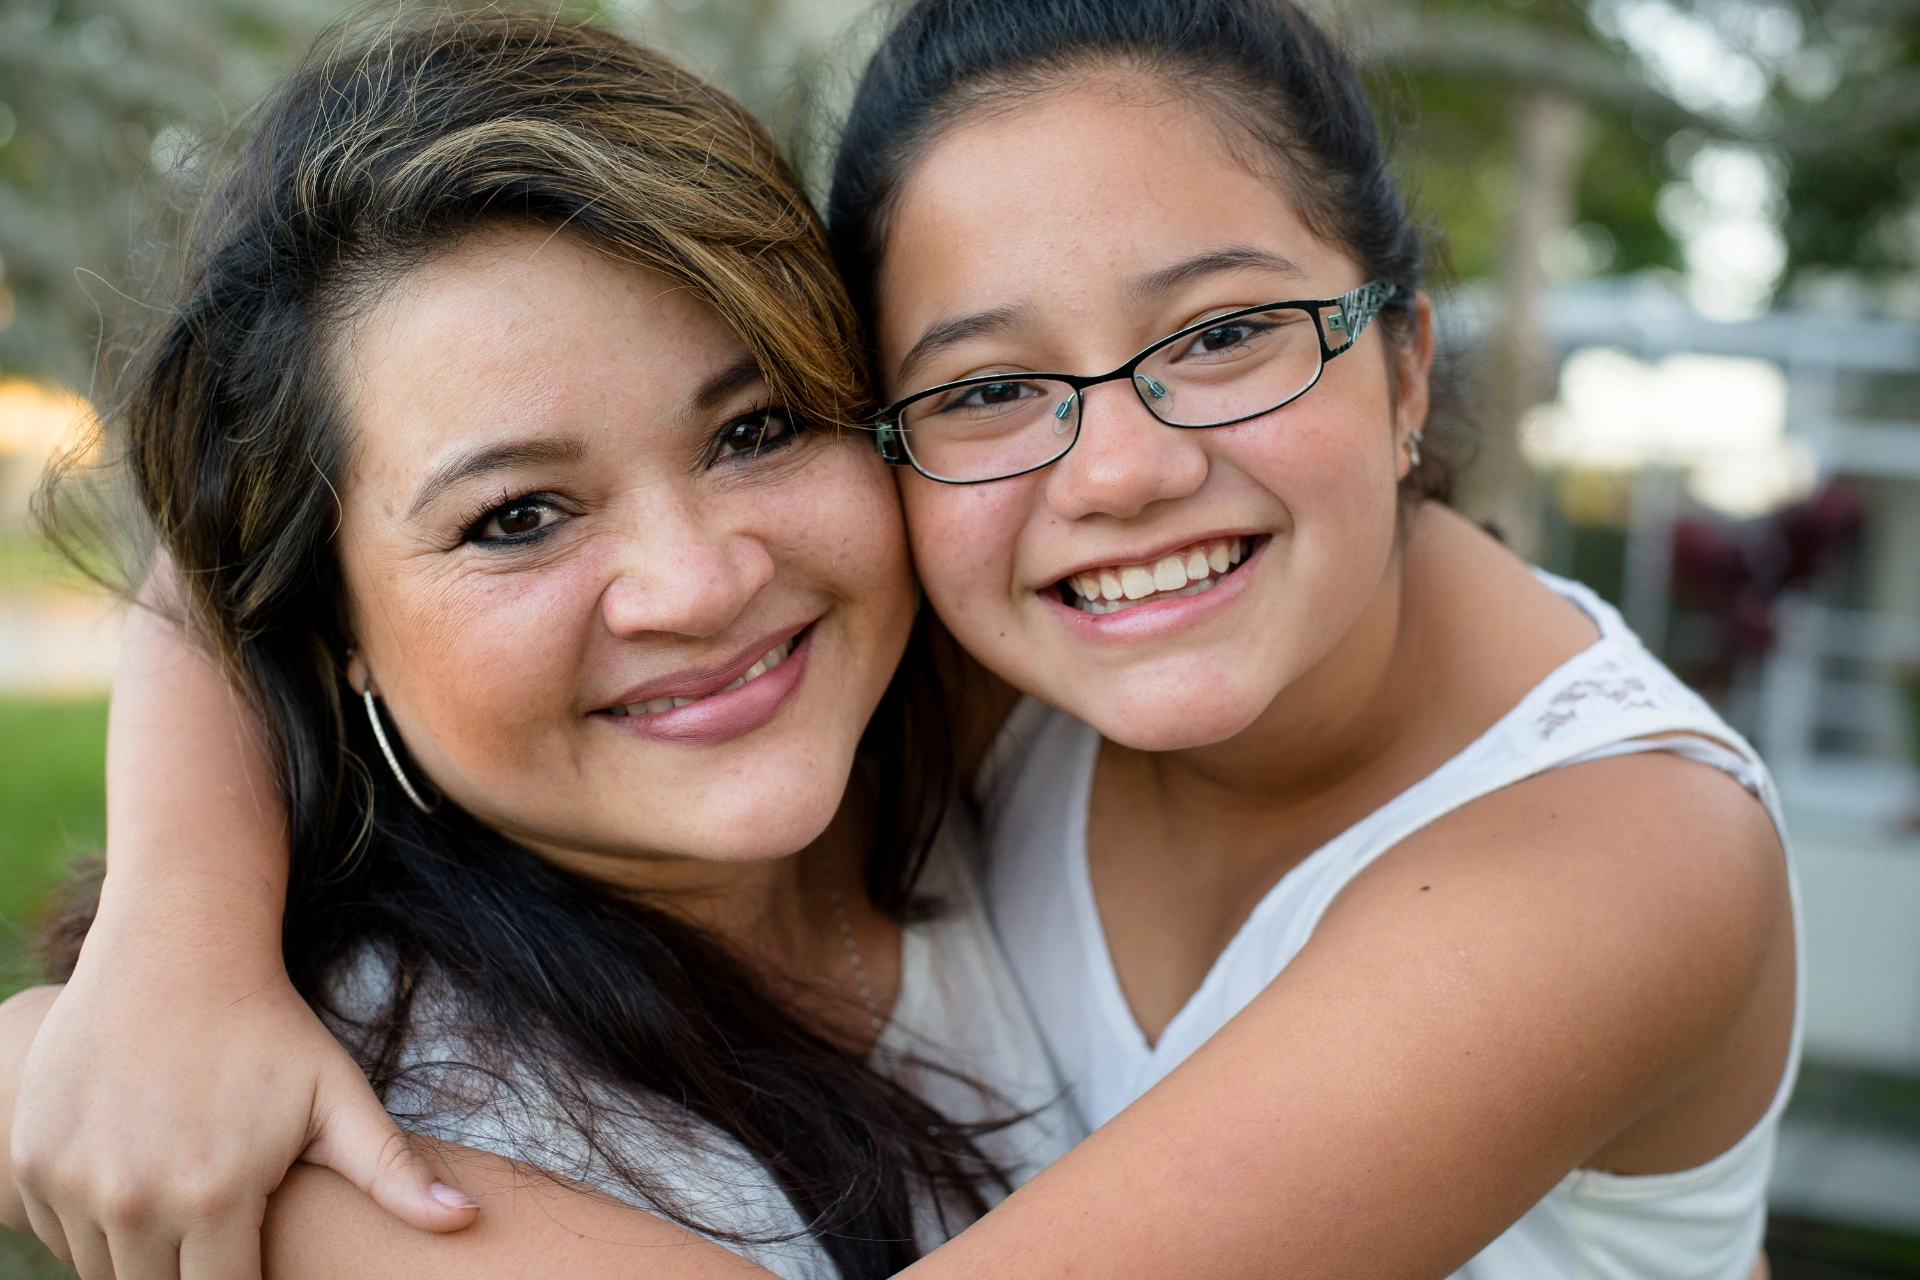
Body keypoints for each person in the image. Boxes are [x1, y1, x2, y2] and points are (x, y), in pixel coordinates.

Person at [13, 2, 1796, 1278]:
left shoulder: (1619, 858)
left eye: (1230, 332)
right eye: (995, 385)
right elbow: (241, 553)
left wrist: (183, 1149)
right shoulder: (982, 635)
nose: (1122, 471)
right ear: (905, 430)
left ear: (1407, 361)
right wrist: (169, 945)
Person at [0, 12, 1078, 1280]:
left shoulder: (1020, 696)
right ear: (330, 624)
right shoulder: (409, 1121)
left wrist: (178, 907)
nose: (695, 582)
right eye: (516, 516)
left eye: (756, 428)